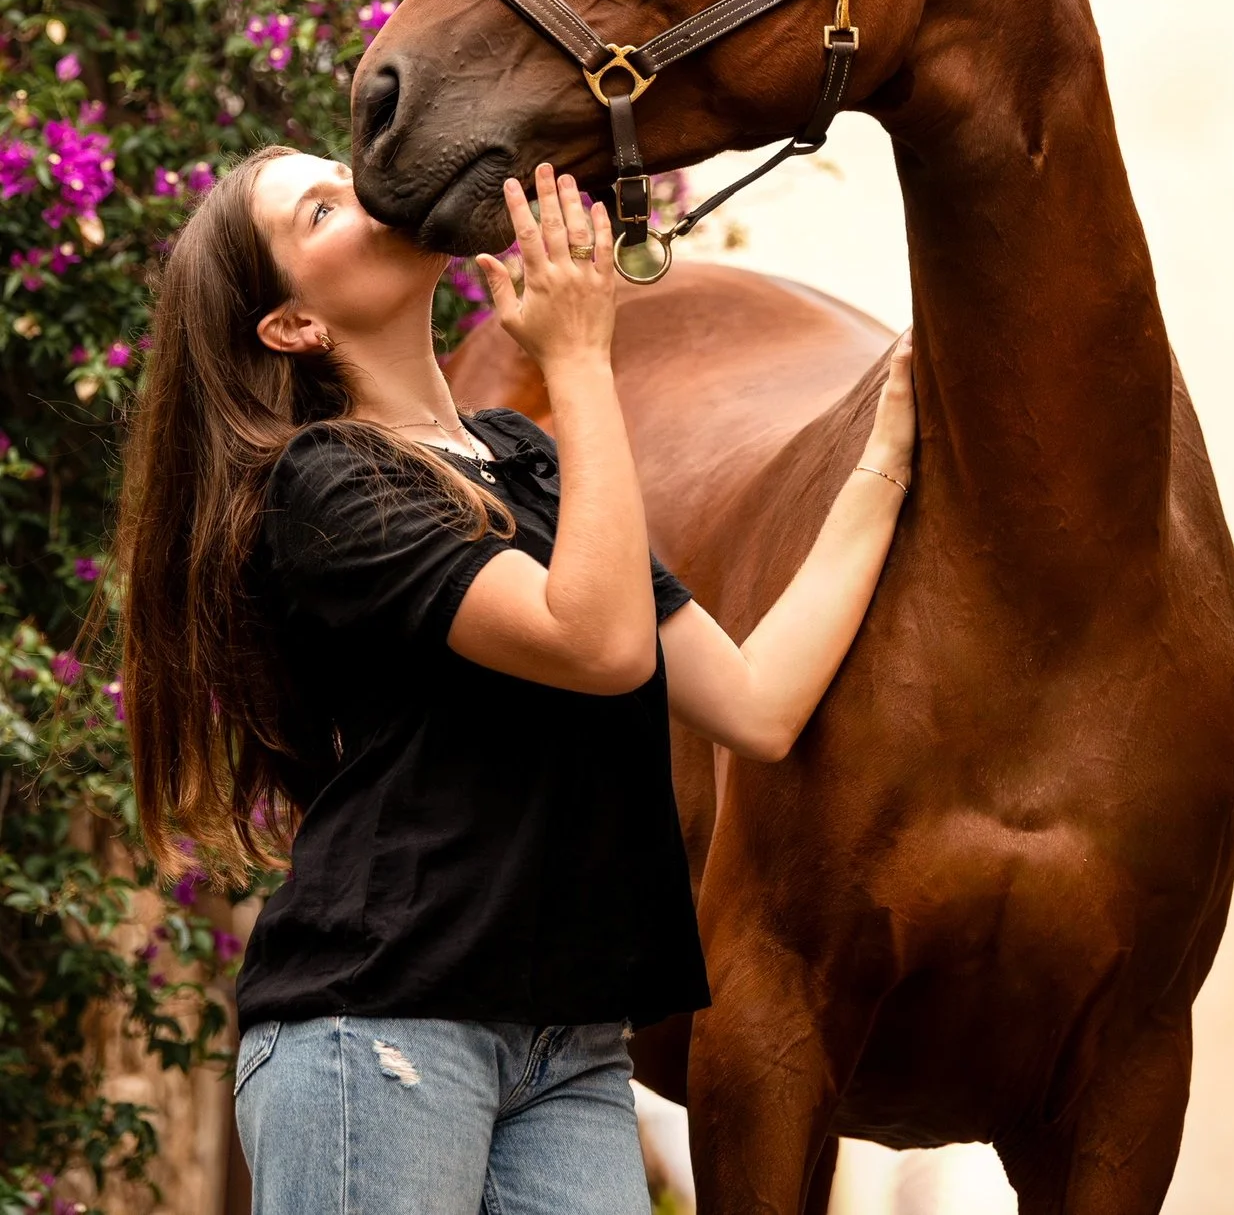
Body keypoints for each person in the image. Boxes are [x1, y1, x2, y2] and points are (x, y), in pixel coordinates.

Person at [113, 145, 915, 1215]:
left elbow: (757, 704)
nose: (366, 192)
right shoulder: (327, 483)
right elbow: (598, 644)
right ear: (294, 324)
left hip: (569, 1045)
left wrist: (888, 455)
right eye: (320, 210)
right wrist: (582, 357)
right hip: (381, 1027)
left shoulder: (524, 464)